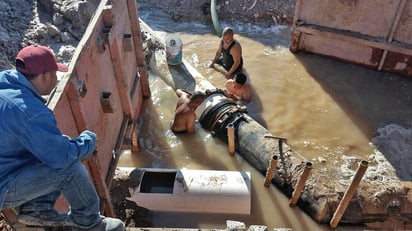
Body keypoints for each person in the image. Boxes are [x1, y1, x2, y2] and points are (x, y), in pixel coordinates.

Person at [0, 45, 125, 230]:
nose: (57, 79)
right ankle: (89, 223)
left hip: (7, 167)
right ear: (44, 76)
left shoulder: (6, 85)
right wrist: (87, 142)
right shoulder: (30, 112)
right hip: (5, 186)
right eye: (54, 73)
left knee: (49, 148)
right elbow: (62, 158)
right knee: (69, 168)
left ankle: (37, 209)